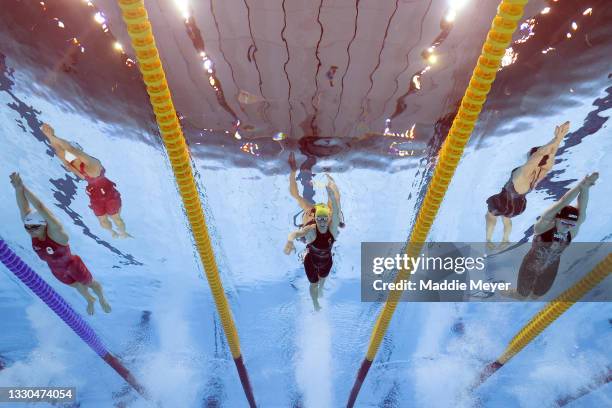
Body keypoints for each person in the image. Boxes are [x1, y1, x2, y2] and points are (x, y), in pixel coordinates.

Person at [10, 172, 112, 315]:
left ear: (44, 224)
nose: (30, 230)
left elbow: (41, 208)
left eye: (34, 227)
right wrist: (17, 190)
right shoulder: (32, 230)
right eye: (27, 227)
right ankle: (90, 300)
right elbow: (24, 209)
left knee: (89, 283)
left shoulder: (57, 233)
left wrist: (23, 187)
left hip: (73, 266)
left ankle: (101, 298)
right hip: (57, 271)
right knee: (76, 285)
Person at [514, 172, 598, 299]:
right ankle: (511, 292)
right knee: (521, 296)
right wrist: (580, 185)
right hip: (530, 266)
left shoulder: (571, 231)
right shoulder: (543, 227)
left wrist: (585, 188)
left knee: (536, 296)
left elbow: (582, 212)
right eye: (565, 222)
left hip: (550, 270)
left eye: (571, 224)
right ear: (556, 219)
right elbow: (562, 202)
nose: (569, 226)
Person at [486, 121, 570, 247]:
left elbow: (543, 153)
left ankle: (495, 239)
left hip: (520, 194)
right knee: (504, 217)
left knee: (495, 215)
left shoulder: (528, 173)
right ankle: (503, 239)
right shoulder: (538, 171)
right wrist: (558, 138)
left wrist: (557, 138)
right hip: (516, 201)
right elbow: (545, 154)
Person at [40, 123, 130, 238]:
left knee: (111, 219)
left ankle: (121, 233)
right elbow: (63, 151)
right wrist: (50, 136)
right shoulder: (78, 165)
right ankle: (115, 232)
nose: (67, 154)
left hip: (100, 194)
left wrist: (51, 136)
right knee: (108, 220)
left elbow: (66, 150)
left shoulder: (92, 164)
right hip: (100, 194)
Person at [284, 177, 341, 311]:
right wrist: (290, 241)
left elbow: (336, 209)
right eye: (319, 218)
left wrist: (331, 191)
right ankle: (315, 303)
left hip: (327, 260)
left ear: (328, 219)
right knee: (313, 284)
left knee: (322, 281)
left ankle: (321, 290)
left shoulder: (331, 226)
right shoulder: (310, 229)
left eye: (324, 218)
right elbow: (295, 234)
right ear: (315, 218)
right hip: (311, 260)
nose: (321, 220)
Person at [288, 151, 344, 231]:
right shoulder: (332, 212)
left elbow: (294, 194)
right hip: (328, 216)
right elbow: (335, 193)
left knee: (304, 189)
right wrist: (328, 174)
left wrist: (292, 170)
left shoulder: (309, 213)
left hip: (312, 219)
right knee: (334, 194)